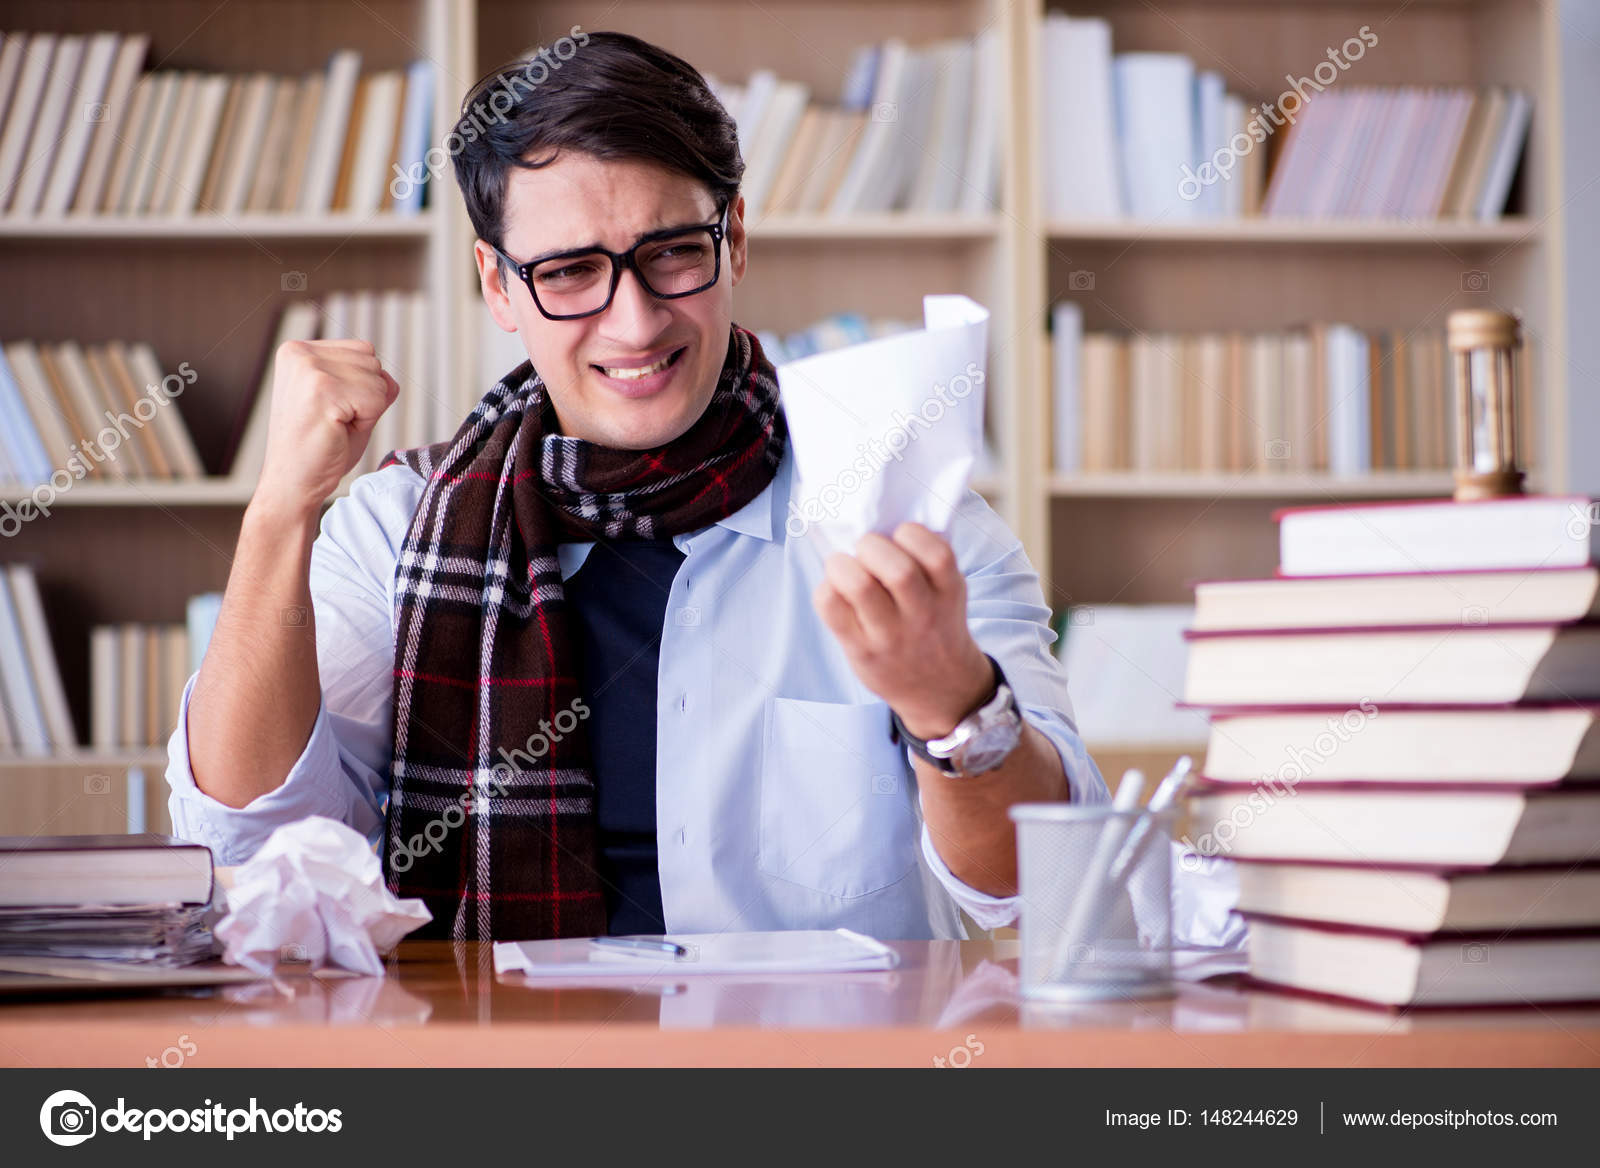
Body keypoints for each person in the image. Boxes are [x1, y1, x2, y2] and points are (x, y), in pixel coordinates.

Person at [166, 31, 1107, 942]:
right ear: (498, 286)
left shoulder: (912, 525)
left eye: (671, 254)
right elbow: (247, 845)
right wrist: (278, 512)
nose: (635, 322)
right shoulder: (397, 531)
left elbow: (1039, 889)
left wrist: (955, 708)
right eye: (571, 271)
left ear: (733, 238)